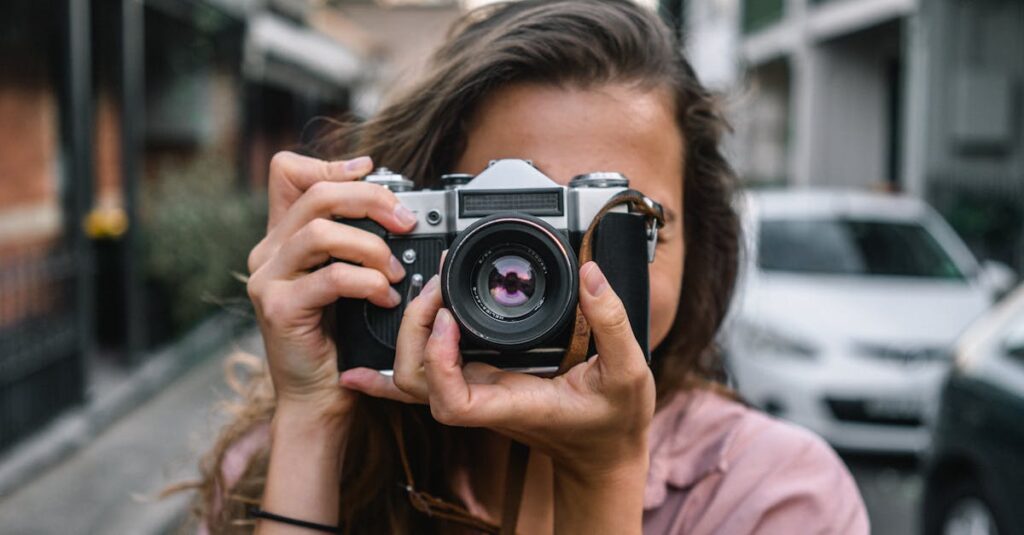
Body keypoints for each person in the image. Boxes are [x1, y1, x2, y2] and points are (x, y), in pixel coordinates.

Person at [195, 1, 868, 533]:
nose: (560, 276)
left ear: (702, 250)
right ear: (417, 230)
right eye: (509, 228)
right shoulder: (275, 459)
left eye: (626, 228)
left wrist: (603, 474)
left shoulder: (775, 499)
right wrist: (314, 419)